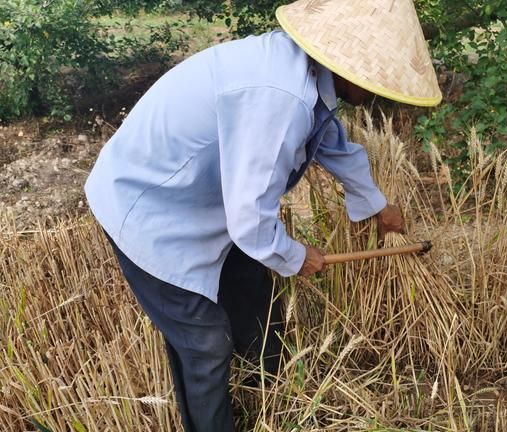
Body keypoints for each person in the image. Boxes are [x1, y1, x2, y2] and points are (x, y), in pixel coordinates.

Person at [84, 0, 441, 430]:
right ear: (347, 66)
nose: (374, 94)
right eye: (373, 81)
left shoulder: (303, 74)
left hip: (204, 200)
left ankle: (272, 402)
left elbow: (331, 142)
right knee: (204, 343)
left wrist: (377, 206)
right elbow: (250, 221)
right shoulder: (281, 98)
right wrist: (294, 256)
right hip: (146, 204)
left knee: (255, 303)